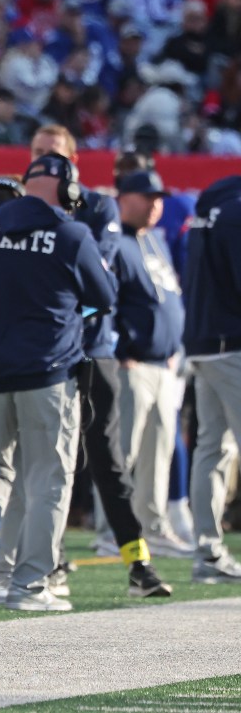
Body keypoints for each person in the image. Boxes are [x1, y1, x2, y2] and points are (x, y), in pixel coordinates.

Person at [0, 153, 116, 612]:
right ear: (68, 189)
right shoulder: (72, 233)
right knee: (48, 478)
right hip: (47, 374)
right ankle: (29, 584)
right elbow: (103, 298)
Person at [29, 126, 171, 596]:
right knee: (48, 459)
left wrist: (50, 307)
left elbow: (99, 285)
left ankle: (137, 559)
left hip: (91, 349)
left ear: (72, 163)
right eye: (36, 155)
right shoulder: (17, 211)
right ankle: (49, 559)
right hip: (44, 353)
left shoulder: (98, 206)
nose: (43, 166)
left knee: (107, 458)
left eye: (53, 157)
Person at [114, 170, 189, 556]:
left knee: (158, 453)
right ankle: (114, 531)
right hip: (131, 364)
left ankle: (153, 527)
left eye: (158, 197)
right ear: (125, 197)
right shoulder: (112, 240)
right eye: (147, 196)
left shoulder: (157, 239)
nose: (155, 204)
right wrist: (118, 349)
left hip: (164, 364)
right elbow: (102, 301)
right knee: (122, 454)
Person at [184, 176, 241, 583]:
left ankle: (207, 553)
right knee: (213, 448)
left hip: (203, 341)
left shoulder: (214, 195)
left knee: (212, 448)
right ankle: (207, 552)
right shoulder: (235, 208)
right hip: (232, 344)